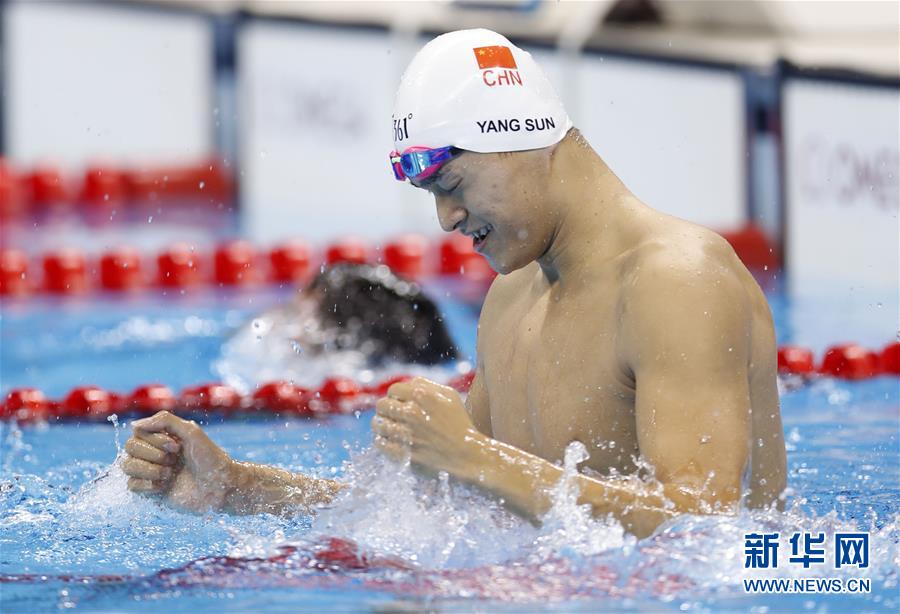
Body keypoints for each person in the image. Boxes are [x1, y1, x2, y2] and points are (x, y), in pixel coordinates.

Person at [123, 29, 786, 539]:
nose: (446, 220)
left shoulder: (674, 278)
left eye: (451, 185)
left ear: (517, 142)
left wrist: (474, 457)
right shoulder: (513, 298)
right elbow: (447, 505)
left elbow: (707, 527)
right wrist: (237, 488)